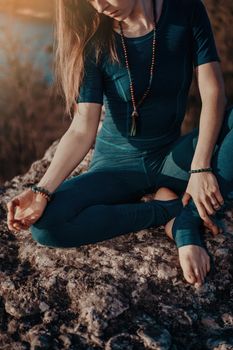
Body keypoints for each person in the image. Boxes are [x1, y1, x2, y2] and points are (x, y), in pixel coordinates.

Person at [6, 0, 233, 288]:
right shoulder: (95, 40)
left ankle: (186, 221)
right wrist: (42, 191)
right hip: (116, 169)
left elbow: (213, 92)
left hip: (173, 160)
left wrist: (200, 168)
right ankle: (170, 210)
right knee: (48, 227)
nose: (100, 6)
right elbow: (82, 127)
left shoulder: (184, 9)